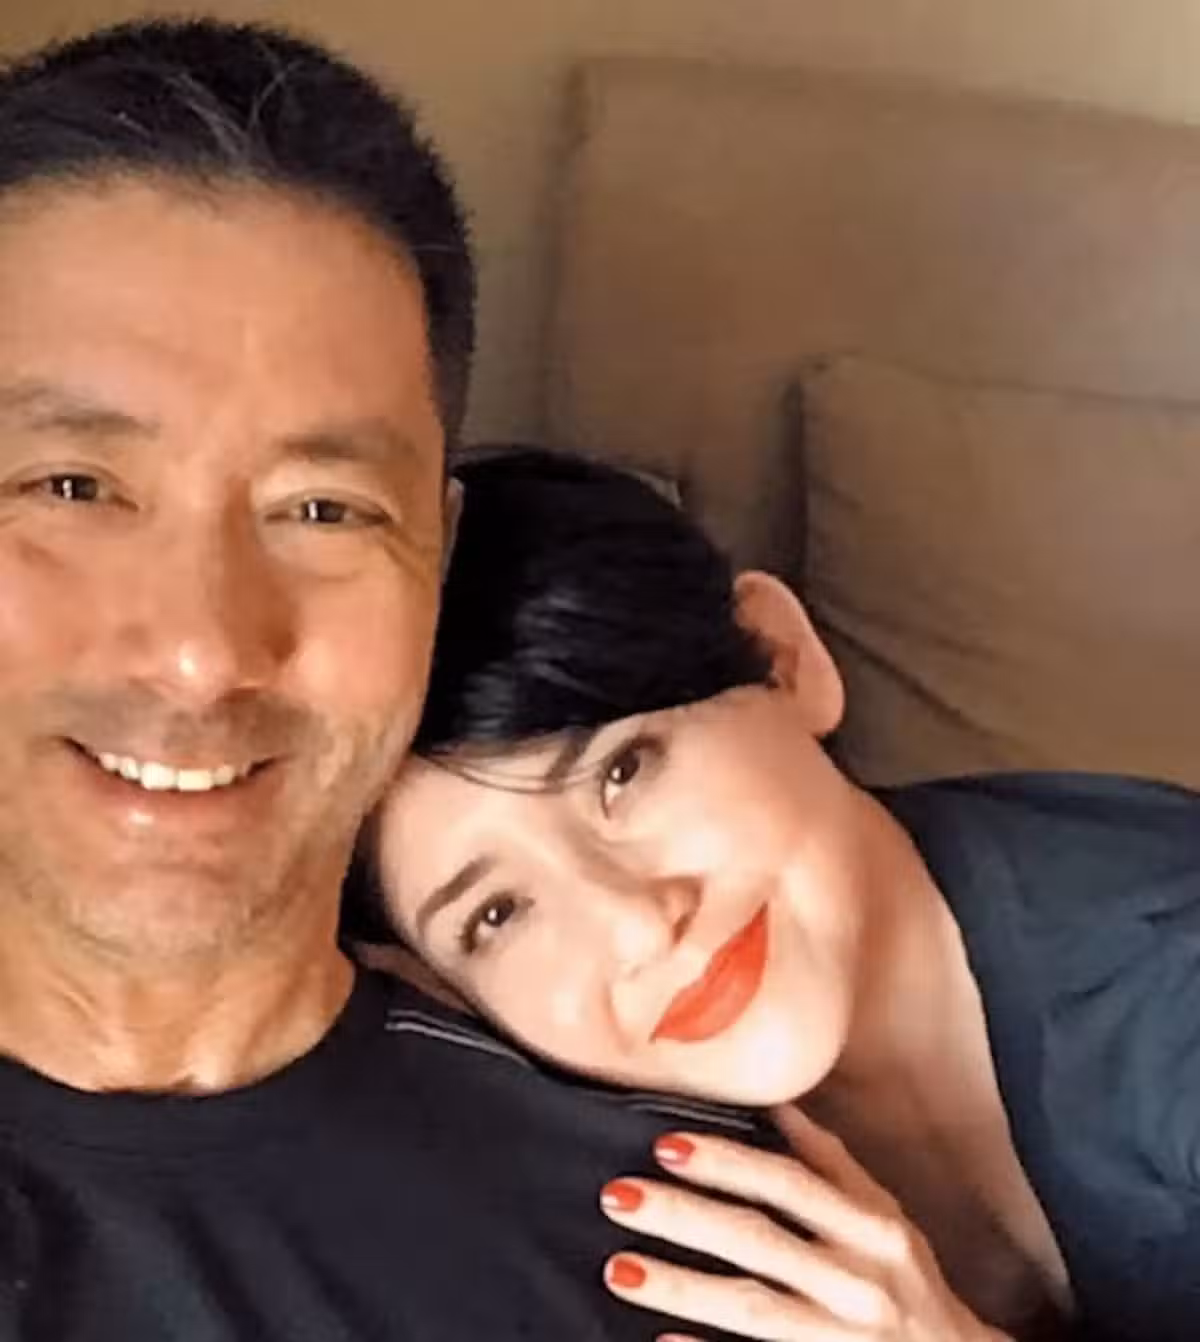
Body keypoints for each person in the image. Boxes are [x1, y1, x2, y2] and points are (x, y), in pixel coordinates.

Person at [0, 21, 796, 1341]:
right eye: (73, 487)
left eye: (323, 510)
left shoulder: (696, 1237)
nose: (203, 649)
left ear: (437, 555)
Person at [366, 446, 1200, 1342]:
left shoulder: (1164, 977)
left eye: (623, 772)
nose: (636, 926)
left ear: (782, 657)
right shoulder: (563, 1142)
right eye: (496, 915)